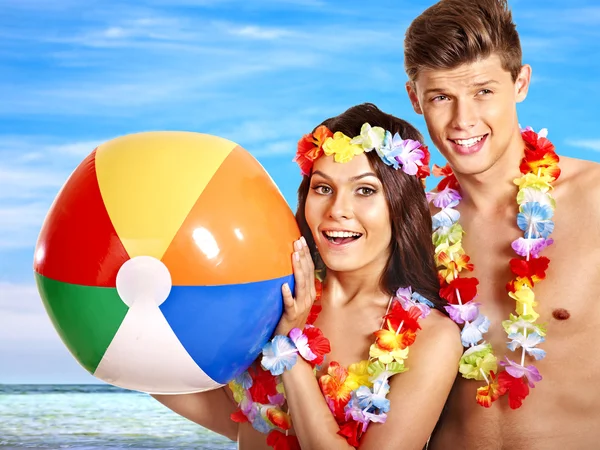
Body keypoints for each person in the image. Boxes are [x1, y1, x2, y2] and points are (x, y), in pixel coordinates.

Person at [152, 103, 462, 449]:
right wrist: (134, 327)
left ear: (400, 205)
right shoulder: (268, 291)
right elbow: (239, 419)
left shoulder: (431, 338)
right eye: (323, 188)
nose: (338, 211)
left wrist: (290, 349)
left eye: (365, 190)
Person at [403, 1, 600, 449]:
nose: (463, 120)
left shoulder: (596, 199)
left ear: (521, 83)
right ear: (415, 98)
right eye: (440, 97)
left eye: (483, 92)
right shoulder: (410, 230)